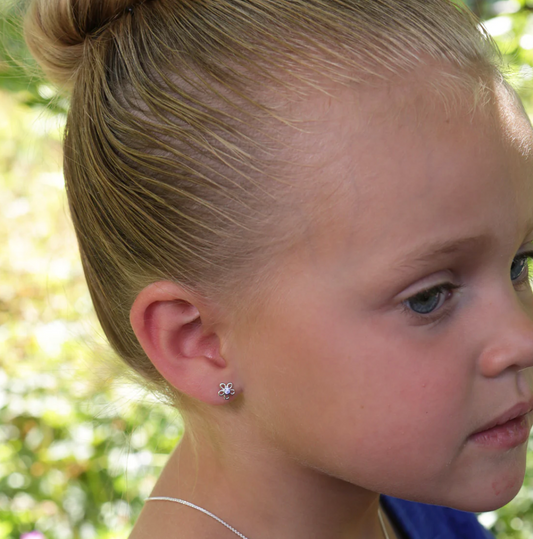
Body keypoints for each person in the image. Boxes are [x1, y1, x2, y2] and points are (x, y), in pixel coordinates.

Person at [23, 0, 533, 537]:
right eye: (428, 298)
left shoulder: (409, 501)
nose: (523, 337)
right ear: (197, 341)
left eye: (521, 263)